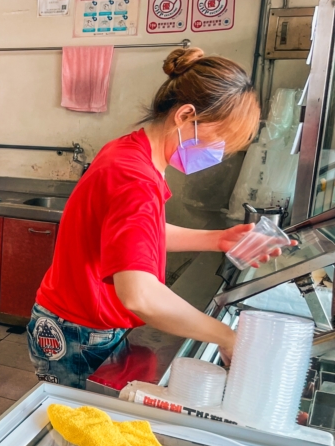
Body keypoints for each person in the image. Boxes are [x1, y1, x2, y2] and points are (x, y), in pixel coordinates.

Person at [28, 47, 278, 389]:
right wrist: (227, 336)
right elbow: (140, 296)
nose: (218, 152)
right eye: (218, 138)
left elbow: (135, 236)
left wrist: (217, 239)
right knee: (71, 434)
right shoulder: (136, 179)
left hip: (72, 319)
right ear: (185, 115)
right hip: (79, 332)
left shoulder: (129, 151)